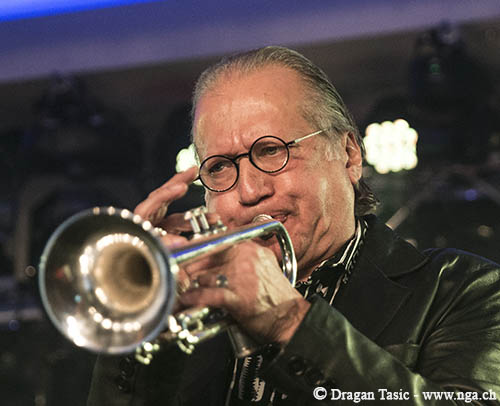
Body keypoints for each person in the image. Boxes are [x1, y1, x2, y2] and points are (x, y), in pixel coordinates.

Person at [87, 46, 500, 405]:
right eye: (219, 167)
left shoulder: (466, 291)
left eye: (271, 151)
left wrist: (288, 322)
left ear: (349, 154)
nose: (249, 190)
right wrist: (140, 324)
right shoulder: (188, 322)